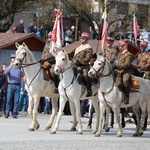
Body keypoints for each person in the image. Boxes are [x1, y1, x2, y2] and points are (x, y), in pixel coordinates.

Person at [114, 40, 134, 104]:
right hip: (118, 70)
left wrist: (118, 66)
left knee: (125, 80)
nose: (119, 47)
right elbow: (115, 48)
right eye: (119, 46)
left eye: (120, 46)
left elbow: (127, 65)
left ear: (124, 46)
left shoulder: (129, 54)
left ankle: (126, 96)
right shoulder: (120, 53)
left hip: (126, 71)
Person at [4, 54, 24, 118]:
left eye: (14, 60)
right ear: (10, 61)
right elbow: (5, 73)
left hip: (17, 86)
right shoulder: (8, 68)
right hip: (10, 85)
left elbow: (23, 75)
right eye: (12, 61)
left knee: (16, 101)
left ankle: (14, 113)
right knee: (9, 100)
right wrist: (10, 66)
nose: (13, 62)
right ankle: (7, 113)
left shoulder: (19, 68)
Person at [74, 32, 93, 97]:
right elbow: (72, 54)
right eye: (81, 38)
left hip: (83, 65)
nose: (81, 39)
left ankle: (89, 90)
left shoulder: (88, 48)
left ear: (87, 39)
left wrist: (81, 60)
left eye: (83, 38)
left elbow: (88, 58)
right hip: (75, 64)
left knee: (85, 75)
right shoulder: (78, 47)